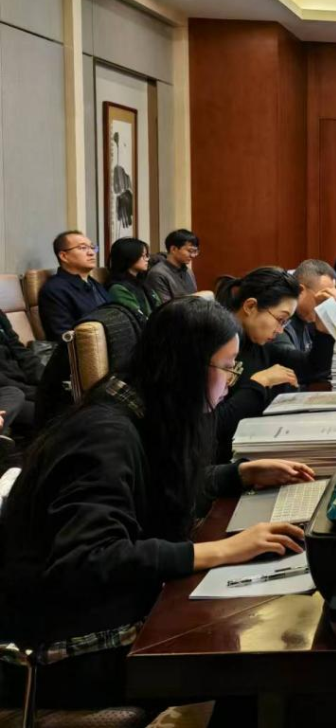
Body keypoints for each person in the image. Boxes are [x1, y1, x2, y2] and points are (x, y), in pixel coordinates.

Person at [0, 297, 310, 709]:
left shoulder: (139, 407)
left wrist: (237, 474)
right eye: (226, 367)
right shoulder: (104, 435)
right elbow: (90, 558)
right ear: (186, 366)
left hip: (99, 610)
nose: (231, 381)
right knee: (251, 656)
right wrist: (222, 550)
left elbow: (151, 487)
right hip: (63, 648)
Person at [212, 268, 303, 460]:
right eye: (280, 320)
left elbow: (309, 366)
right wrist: (259, 384)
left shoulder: (258, 342)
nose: (280, 330)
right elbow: (213, 424)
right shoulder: (214, 345)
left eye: (285, 323)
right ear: (250, 306)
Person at [272, 259, 336, 388]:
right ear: (300, 291)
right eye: (323, 299)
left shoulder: (306, 317)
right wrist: (324, 330)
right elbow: (304, 368)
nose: (326, 307)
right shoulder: (279, 324)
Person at [38, 230, 110, 341]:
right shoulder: (55, 290)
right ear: (64, 256)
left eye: (92, 247)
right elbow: (64, 335)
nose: (91, 253)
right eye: (83, 248)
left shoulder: (93, 283)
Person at [0, 306, 42, 439]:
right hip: (6, 390)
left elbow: (19, 350)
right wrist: (38, 393)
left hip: (18, 386)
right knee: (48, 414)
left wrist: (47, 380)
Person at [105, 237, 161, 318]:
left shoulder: (141, 282)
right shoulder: (118, 288)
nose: (147, 259)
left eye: (147, 255)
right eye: (143, 256)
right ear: (130, 257)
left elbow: (159, 306)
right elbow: (137, 317)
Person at [145, 229, 200, 303]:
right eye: (190, 251)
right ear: (173, 249)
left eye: (195, 251)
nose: (193, 255)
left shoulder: (188, 271)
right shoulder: (157, 274)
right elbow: (165, 306)